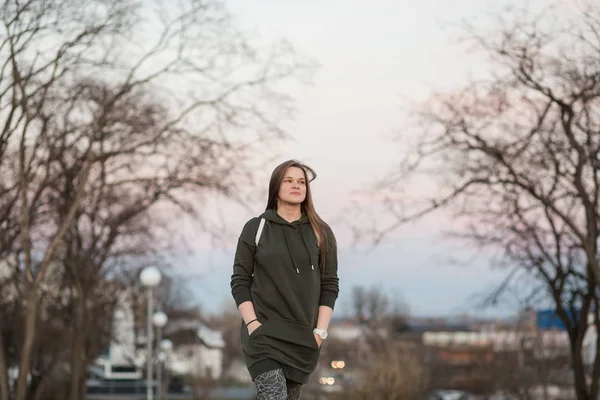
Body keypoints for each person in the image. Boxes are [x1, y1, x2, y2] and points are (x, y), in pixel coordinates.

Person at [230, 159, 339, 400]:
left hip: (303, 339)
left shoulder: (321, 232)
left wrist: (319, 333)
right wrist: (252, 325)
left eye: (301, 182)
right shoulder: (256, 228)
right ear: (276, 187)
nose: (296, 186)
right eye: (288, 180)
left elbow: (329, 285)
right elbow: (240, 281)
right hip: (263, 335)